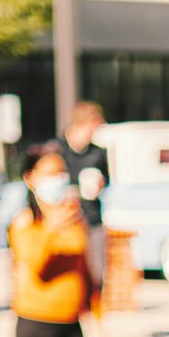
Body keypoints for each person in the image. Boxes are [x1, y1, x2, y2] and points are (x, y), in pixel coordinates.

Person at [8, 149, 100, 337]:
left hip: (71, 322)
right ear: (31, 178)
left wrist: (97, 318)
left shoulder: (74, 219)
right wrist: (51, 228)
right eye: (50, 173)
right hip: (37, 322)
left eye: (61, 172)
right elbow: (36, 266)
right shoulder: (25, 221)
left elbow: (85, 271)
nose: (57, 179)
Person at [55, 100, 109, 286]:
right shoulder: (57, 149)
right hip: (67, 221)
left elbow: (107, 181)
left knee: (96, 275)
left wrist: (101, 184)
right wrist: (72, 191)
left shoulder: (98, 153)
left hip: (92, 218)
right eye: (93, 127)